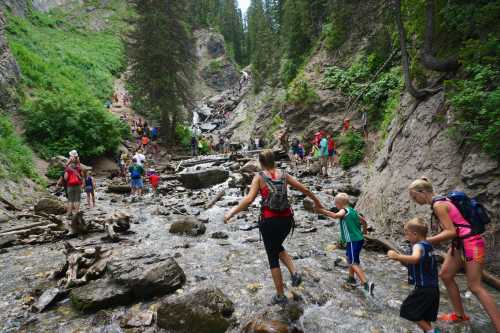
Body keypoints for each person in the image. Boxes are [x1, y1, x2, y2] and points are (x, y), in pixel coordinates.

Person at [224, 149, 323, 305]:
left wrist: (231, 213)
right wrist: (317, 203)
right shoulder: (284, 175)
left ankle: (280, 295)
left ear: (261, 163)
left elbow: (249, 200)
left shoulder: (259, 177)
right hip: (287, 220)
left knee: (272, 255)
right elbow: (305, 189)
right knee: (277, 246)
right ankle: (294, 272)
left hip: (269, 221)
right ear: (274, 160)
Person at [408, 177, 500, 330]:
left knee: (475, 286)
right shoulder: (439, 202)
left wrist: (425, 241)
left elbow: (450, 232)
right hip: (459, 245)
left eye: (414, 196)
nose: (414, 200)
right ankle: (459, 315)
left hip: (471, 244)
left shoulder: (439, 205)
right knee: (445, 275)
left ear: (423, 192)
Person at [388, 218, 441, 333]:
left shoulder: (418, 246)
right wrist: (402, 261)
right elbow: (419, 264)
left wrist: (397, 256)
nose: (406, 238)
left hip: (424, 289)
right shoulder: (428, 246)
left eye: (407, 235)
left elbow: (415, 259)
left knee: (408, 310)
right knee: (424, 315)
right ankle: (429, 330)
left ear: (415, 234)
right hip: (433, 289)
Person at [316, 193, 374, 295]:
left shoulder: (344, 210)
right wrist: (364, 232)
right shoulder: (353, 211)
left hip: (352, 241)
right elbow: (364, 222)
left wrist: (322, 211)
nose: (336, 206)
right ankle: (351, 278)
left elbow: (335, 216)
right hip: (358, 240)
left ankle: (366, 284)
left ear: (340, 204)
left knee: (352, 263)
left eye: (336, 204)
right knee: (349, 258)